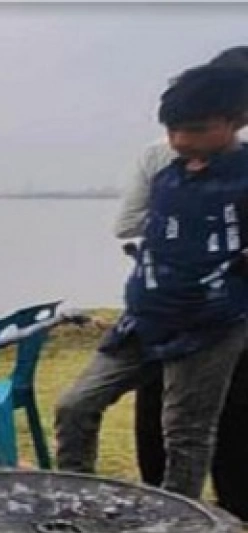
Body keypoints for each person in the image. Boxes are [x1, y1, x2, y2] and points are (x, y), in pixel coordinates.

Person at [54, 65, 248, 500]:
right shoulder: (167, 172)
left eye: (196, 130)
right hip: (144, 319)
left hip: (211, 325)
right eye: (174, 130)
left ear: (236, 121)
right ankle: (73, 498)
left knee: (185, 432)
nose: (181, 141)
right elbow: (139, 230)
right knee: (75, 405)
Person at [117, 47, 248, 516]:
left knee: (165, 405)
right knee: (224, 409)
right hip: (218, 301)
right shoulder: (180, 150)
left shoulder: (160, 152)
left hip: (173, 301)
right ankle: (224, 504)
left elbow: (128, 223)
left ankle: (166, 502)